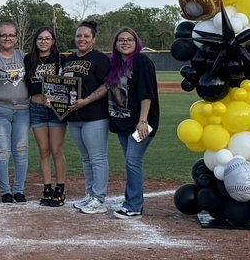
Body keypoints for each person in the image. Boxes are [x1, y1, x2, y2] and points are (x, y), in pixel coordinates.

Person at [106, 27, 160, 219]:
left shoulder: (141, 61)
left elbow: (147, 94)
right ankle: (133, 202)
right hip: (123, 121)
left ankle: (134, 205)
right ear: (116, 44)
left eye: (129, 40)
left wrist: (143, 121)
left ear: (136, 42)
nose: (125, 43)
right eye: (121, 40)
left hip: (142, 121)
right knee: (131, 161)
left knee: (133, 160)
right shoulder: (115, 63)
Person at [63, 20, 111, 213]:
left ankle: (98, 198)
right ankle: (90, 194)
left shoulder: (100, 58)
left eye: (86, 36)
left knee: (97, 157)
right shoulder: (67, 59)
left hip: (94, 116)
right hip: (74, 116)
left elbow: (107, 85)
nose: (82, 39)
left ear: (93, 39)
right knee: (85, 158)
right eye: (79, 36)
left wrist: (87, 101)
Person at [24, 26, 68, 207]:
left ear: (53, 41)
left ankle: (60, 188)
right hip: (36, 107)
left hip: (56, 108)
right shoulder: (28, 59)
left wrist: (56, 99)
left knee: (56, 150)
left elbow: (67, 86)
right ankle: (47, 187)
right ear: (35, 41)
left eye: (47, 38)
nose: (43, 41)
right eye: (40, 38)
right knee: (43, 150)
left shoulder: (60, 59)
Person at [0, 22, 29, 204]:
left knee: (20, 150)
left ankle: (19, 190)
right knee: (2, 152)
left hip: (22, 110)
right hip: (1, 109)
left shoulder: (23, 56)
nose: (7, 38)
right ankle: (6, 191)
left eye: (11, 35)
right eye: (3, 35)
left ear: (16, 37)